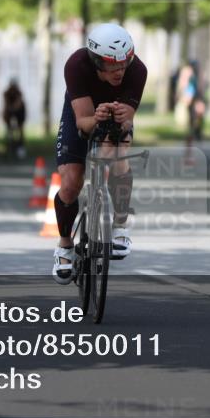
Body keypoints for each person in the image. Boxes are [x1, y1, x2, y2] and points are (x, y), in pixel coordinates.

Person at [52, 23, 147, 284]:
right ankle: (64, 245)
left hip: (116, 115)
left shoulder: (136, 70)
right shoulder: (76, 65)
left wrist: (115, 125)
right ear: (96, 62)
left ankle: (119, 226)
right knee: (71, 184)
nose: (120, 71)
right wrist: (96, 117)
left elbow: (126, 122)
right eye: (112, 65)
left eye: (124, 62)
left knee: (116, 158)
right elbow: (82, 122)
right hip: (83, 113)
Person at [2, 78, 26, 158]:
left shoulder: (18, 93)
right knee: (9, 130)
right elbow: (6, 104)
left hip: (20, 111)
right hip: (9, 111)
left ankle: (20, 147)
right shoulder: (6, 93)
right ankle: (10, 147)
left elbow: (18, 104)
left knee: (20, 130)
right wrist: (7, 117)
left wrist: (14, 109)